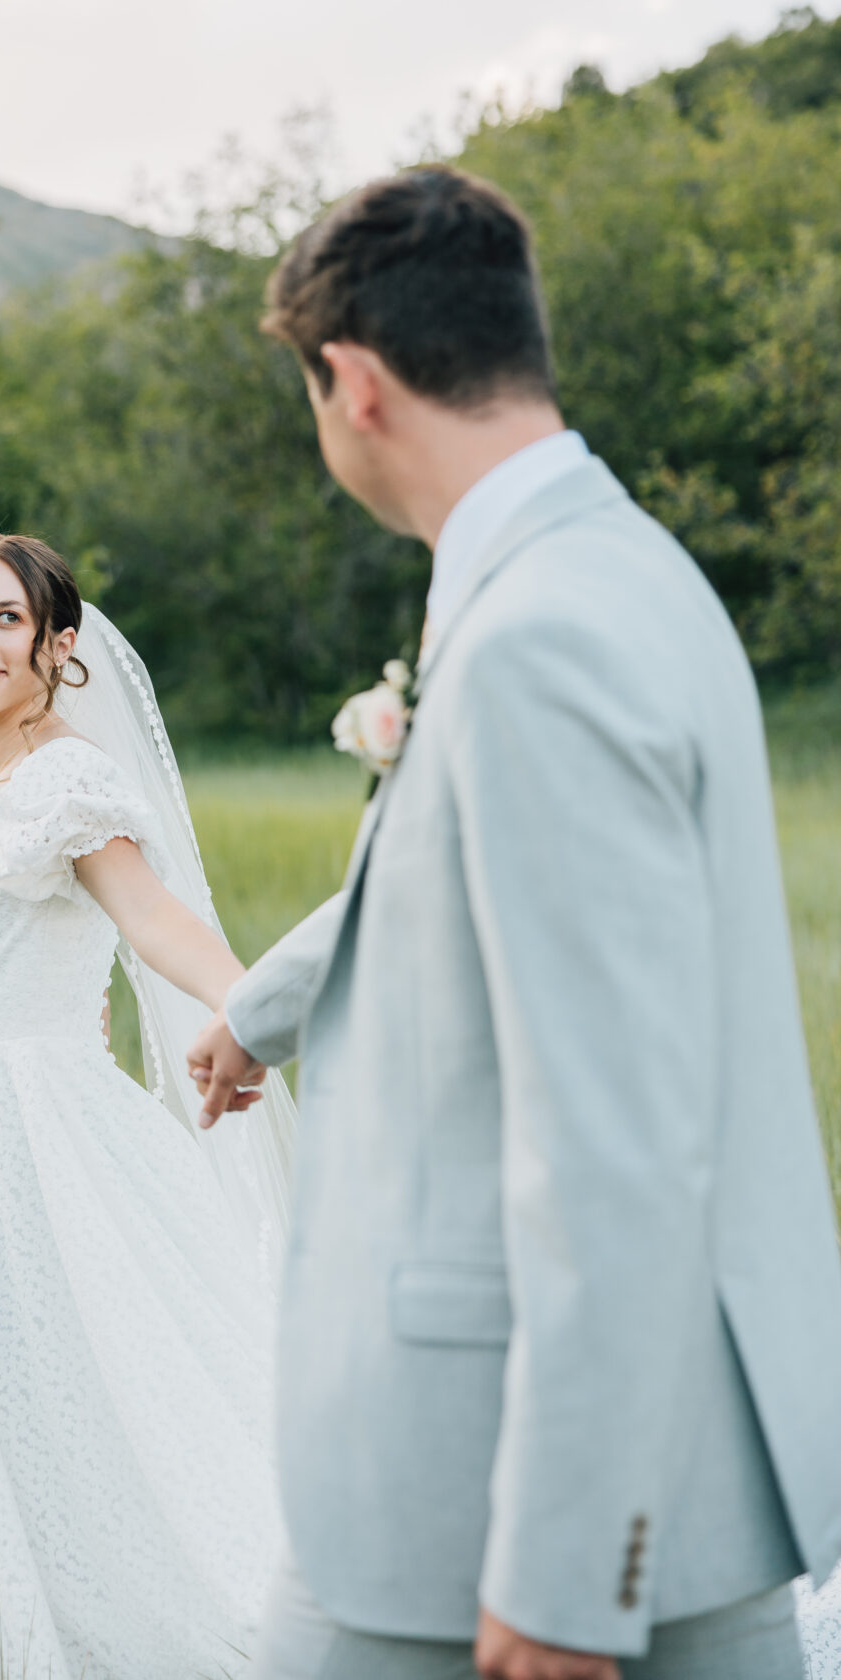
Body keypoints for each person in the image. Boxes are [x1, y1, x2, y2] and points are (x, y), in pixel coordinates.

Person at [187, 165, 841, 1680]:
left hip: (496, 1506)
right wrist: (262, 1006)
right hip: (664, 1473)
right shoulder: (627, 576)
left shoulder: (539, 635)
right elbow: (463, 884)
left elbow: (614, 1133)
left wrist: (563, 1569)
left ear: (351, 385)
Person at [0, 534, 297, 1680]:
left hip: (48, 1124)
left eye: (6, 619)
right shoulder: (2, 780)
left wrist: (261, 1009)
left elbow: (151, 921)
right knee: (19, 1391)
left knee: (104, 1376)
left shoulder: (60, 779)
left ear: (58, 645)